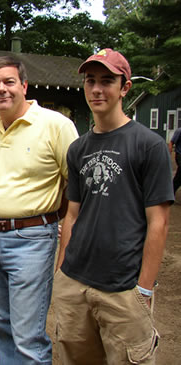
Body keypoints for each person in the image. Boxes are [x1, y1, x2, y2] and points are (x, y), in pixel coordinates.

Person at [54, 48, 174, 365]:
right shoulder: (78, 148)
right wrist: (61, 273)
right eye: (90, 80)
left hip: (123, 289)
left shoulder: (149, 145)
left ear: (125, 88)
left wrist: (144, 289)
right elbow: (73, 214)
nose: (96, 89)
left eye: (107, 81)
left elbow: (158, 223)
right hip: (75, 284)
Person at [0, 55, 78, 364]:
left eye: (9, 82)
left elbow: (76, 190)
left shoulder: (56, 126)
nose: (1, 90)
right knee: (4, 326)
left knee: (28, 336)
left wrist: (66, 243)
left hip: (32, 239)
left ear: (24, 85)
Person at [169, 126, 181, 197]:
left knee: (179, 176)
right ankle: (171, 192)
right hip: (179, 155)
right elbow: (171, 142)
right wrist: (169, 155)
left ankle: (171, 191)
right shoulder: (179, 131)